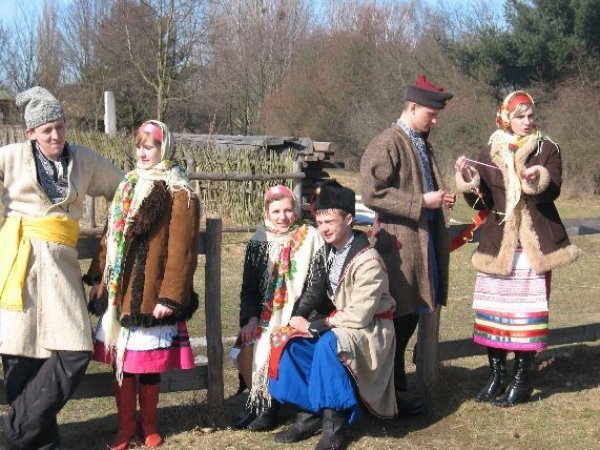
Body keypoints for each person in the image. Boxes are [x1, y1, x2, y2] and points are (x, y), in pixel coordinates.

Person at [0, 86, 122, 450]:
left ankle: (10, 435)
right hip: (18, 263)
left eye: (60, 126)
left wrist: (118, 230)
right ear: (31, 133)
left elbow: (122, 188)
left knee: (75, 351)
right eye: (46, 129)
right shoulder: (10, 157)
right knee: (20, 357)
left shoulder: (84, 160)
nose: (55, 135)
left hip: (61, 267)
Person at [454, 91, 580, 407]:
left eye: (530, 115)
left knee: (526, 315)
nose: (527, 121)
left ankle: (522, 381)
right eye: (520, 116)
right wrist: (469, 178)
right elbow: (481, 202)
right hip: (499, 245)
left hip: (533, 245)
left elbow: (552, 190)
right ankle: (497, 376)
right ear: (506, 118)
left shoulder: (547, 148)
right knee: (494, 312)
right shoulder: (490, 150)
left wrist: (536, 177)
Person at [85, 120, 200, 449]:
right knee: (121, 361)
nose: (143, 153)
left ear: (164, 148)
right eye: (139, 146)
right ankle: (126, 427)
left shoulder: (178, 190)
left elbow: (181, 249)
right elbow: (110, 236)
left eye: (149, 147)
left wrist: (170, 296)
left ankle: (149, 424)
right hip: (119, 291)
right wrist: (99, 278)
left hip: (151, 292)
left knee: (146, 363)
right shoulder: (128, 185)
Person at [268, 180, 397, 450]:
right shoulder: (328, 252)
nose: (324, 228)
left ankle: (335, 426)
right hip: (343, 325)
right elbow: (316, 291)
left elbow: (360, 315)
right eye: (320, 222)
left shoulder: (369, 260)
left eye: (330, 222)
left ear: (349, 219)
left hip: (370, 331)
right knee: (290, 343)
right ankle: (310, 413)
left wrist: (316, 325)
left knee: (328, 344)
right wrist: (297, 320)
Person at [359, 75, 454, 414]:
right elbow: (371, 192)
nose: (435, 120)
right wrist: (421, 202)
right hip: (398, 247)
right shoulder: (388, 141)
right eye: (431, 113)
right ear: (413, 107)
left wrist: (439, 199)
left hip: (421, 244)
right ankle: (391, 396)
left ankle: (395, 392)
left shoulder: (421, 142)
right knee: (396, 321)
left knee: (409, 317)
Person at [234, 185, 330, 431]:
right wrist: (250, 318)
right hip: (266, 313)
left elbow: (316, 287)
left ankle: (271, 407)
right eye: (276, 211)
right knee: (248, 341)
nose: (282, 217)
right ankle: (259, 402)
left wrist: (295, 316)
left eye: (287, 210)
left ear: (295, 210)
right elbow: (249, 289)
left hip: (301, 312)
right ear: (267, 212)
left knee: (276, 339)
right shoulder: (259, 241)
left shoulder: (310, 237)